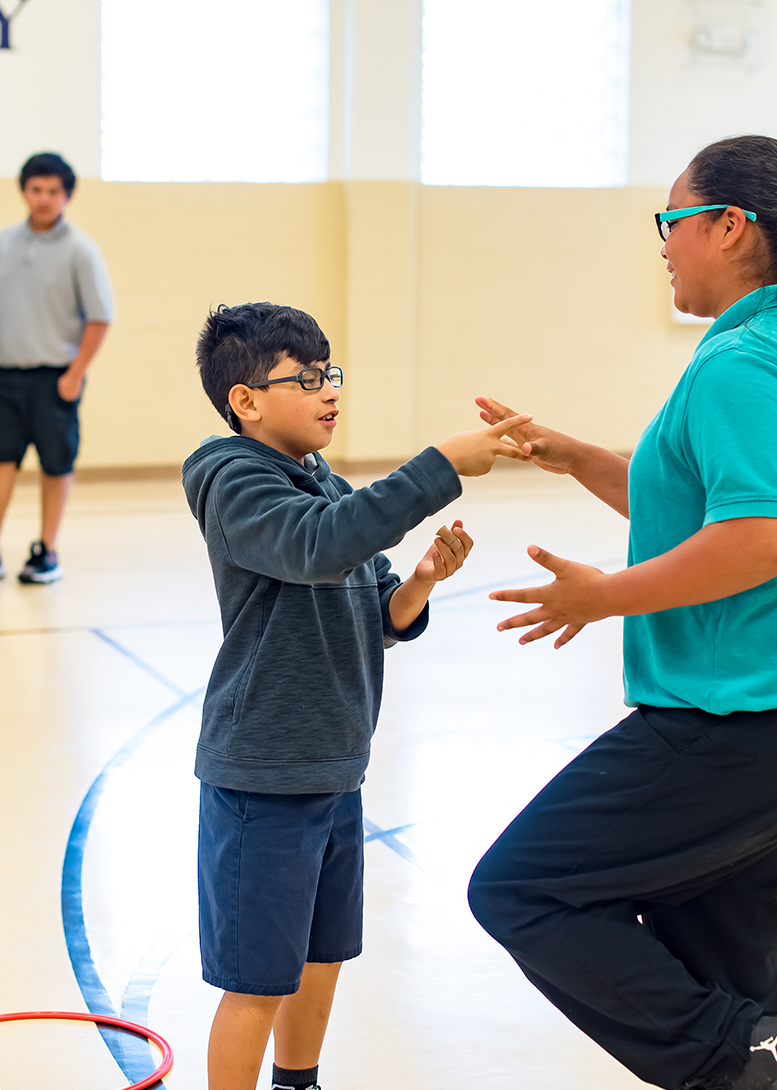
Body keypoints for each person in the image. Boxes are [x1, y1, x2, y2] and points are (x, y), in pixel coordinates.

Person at [467, 135, 777, 1090]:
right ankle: (747, 1051)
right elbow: (704, 506)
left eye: (671, 221)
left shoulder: (746, 364)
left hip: (732, 731)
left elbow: (764, 538)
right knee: (730, 986)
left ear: (730, 228)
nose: (662, 245)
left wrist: (601, 596)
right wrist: (577, 457)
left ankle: (739, 1050)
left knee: (524, 888)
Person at [183, 302, 532, 1090]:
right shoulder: (230, 477)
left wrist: (422, 580)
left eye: (329, 373)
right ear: (246, 401)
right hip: (262, 776)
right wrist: (438, 465)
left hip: (336, 769)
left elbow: (380, 616)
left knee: (320, 958)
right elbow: (317, 547)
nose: (328, 391)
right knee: (256, 981)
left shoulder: (326, 485)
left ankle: (298, 1084)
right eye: (304, 379)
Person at [0, 152, 114, 586]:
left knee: (55, 464)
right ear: (24, 191)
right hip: (2, 374)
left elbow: (100, 317)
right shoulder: (3, 243)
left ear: (66, 196)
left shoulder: (81, 250)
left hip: (54, 377)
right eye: (36, 189)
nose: (43, 198)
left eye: (53, 191)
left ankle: (46, 549)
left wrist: (75, 372)